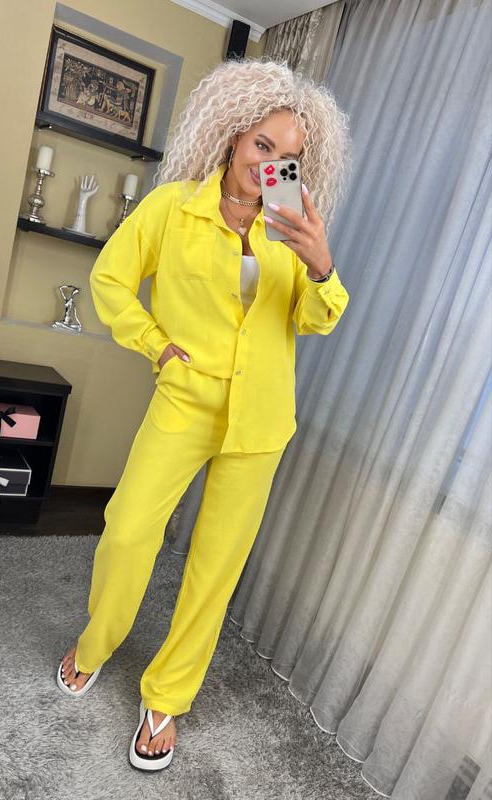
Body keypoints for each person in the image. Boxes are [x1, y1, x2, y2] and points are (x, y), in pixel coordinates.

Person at [56, 56, 351, 772]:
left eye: (286, 156)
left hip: (260, 419)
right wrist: (157, 346)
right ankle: (96, 643)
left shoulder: (291, 226)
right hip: (185, 400)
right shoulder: (171, 208)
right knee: (129, 529)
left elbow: (315, 320)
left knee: (215, 567)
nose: (269, 163)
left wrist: (320, 264)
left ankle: (167, 697)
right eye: (261, 144)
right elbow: (110, 281)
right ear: (232, 135)